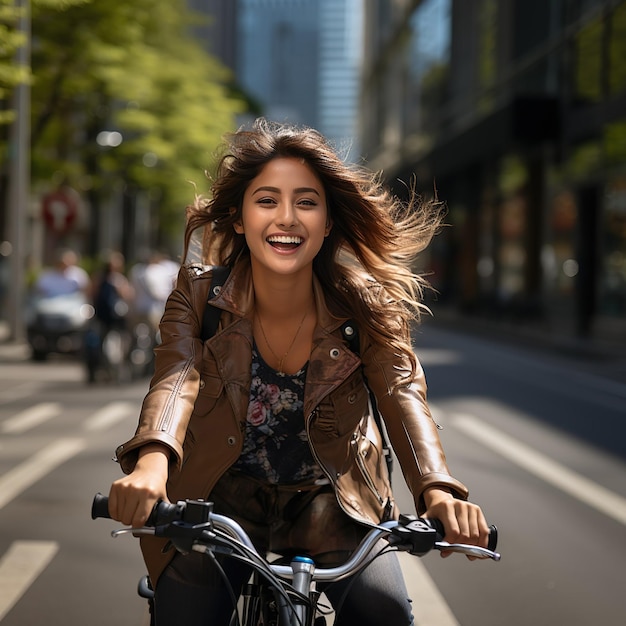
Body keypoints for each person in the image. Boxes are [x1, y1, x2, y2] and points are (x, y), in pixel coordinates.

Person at [108, 118, 491, 625]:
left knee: (387, 614)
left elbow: (401, 392)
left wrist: (438, 489)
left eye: (306, 202)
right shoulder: (198, 294)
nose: (286, 218)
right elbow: (176, 377)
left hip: (333, 498)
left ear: (328, 221)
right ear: (241, 218)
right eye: (267, 200)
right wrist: (153, 465)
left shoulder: (364, 305)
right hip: (222, 496)